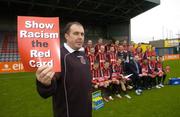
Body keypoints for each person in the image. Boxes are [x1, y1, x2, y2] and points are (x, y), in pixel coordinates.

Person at [36, 22, 92, 117]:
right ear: (66, 36)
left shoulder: (83, 54)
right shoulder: (58, 55)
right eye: (76, 33)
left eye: (82, 34)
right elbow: (46, 91)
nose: (80, 37)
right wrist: (44, 84)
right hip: (68, 113)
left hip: (86, 110)